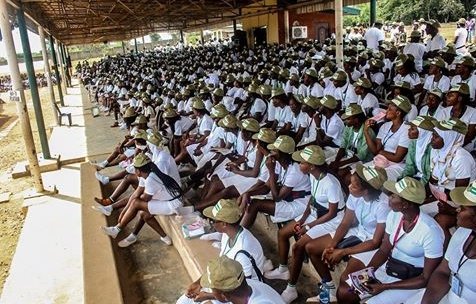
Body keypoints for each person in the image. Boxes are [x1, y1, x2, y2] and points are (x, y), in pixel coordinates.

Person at [339, 177, 444, 304]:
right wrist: (367, 274)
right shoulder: (394, 215)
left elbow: (426, 278)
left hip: (411, 280)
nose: (389, 198)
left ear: (405, 204)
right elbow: (384, 250)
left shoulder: (430, 231)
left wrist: (385, 287)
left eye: (393, 196)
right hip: (390, 268)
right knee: (345, 292)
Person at [263, 145, 345, 303]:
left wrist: (309, 225)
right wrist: (302, 219)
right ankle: (283, 270)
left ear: (312, 165)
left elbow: (332, 213)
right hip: (315, 214)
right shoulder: (314, 176)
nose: (299, 164)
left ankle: (291, 288)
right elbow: (312, 200)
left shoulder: (330, 183)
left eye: (302, 162)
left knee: (298, 246)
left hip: (331, 220)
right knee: (284, 233)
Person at [302, 164, 390, 303]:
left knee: (345, 279)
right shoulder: (356, 195)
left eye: (354, 186)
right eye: (350, 183)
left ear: (366, 191)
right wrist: (332, 245)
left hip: (372, 244)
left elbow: (375, 242)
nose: (349, 187)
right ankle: (329, 287)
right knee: (311, 247)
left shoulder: (383, 205)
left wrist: (342, 252)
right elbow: (345, 223)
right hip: (358, 232)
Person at [177, 199, 267, 304]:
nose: (210, 222)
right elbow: (221, 267)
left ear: (224, 224)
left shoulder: (242, 251)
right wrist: (198, 283)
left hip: (246, 294)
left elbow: (241, 290)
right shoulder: (228, 233)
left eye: (213, 220)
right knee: (184, 301)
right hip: (228, 284)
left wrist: (208, 296)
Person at [101, 153, 182, 245]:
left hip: (174, 204)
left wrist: (136, 201)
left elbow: (144, 199)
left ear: (138, 171)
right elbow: (136, 194)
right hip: (167, 200)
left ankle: (117, 229)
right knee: (144, 214)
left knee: (136, 203)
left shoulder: (151, 179)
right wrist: (124, 211)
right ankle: (164, 237)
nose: (134, 171)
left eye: (134, 168)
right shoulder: (145, 176)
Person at [423, 119, 476, 248]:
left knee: (440, 220)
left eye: (436, 137)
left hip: (459, 203)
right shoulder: (437, 151)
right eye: (433, 135)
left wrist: (451, 210)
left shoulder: (461, 159)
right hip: (442, 196)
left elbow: (462, 198)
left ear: (449, 139)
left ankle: (443, 253)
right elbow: (432, 180)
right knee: (417, 208)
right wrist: (421, 196)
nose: (431, 139)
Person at [240, 135, 311, 228]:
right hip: (288, 197)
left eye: (274, 150)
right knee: (249, 200)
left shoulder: (295, 171)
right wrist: (248, 193)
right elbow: (266, 187)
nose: (271, 152)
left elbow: (277, 198)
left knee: (255, 204)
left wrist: (271, 171)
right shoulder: (279, 164)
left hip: (299, 203)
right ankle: (237, 225)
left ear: (282, 153)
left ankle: (239, 232)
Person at [199, 256, 285, 304]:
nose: (210, 290)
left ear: (224, 295)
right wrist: (209, 296)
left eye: (212, 289)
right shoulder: (244, 284)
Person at [363, 95, 412, 181]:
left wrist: (381, 152)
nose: (386, 111)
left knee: (376, 179)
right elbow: (375, 150)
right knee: (358, 174)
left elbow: (397, 158)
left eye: (389, 109)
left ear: (398, 113)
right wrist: (366, 131)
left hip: (397, 165)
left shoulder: (407, 129)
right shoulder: (385, 126)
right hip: (381, 160)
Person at [400, 116, 436, 185]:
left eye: (412, 129)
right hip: (417, 177)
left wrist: (417, 187)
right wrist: (402, 179)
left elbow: (428, 175)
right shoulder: (414, 143)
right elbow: (410, 166)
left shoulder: (432, 148)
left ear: (423, 132)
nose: (409, 130)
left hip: (426, 183)